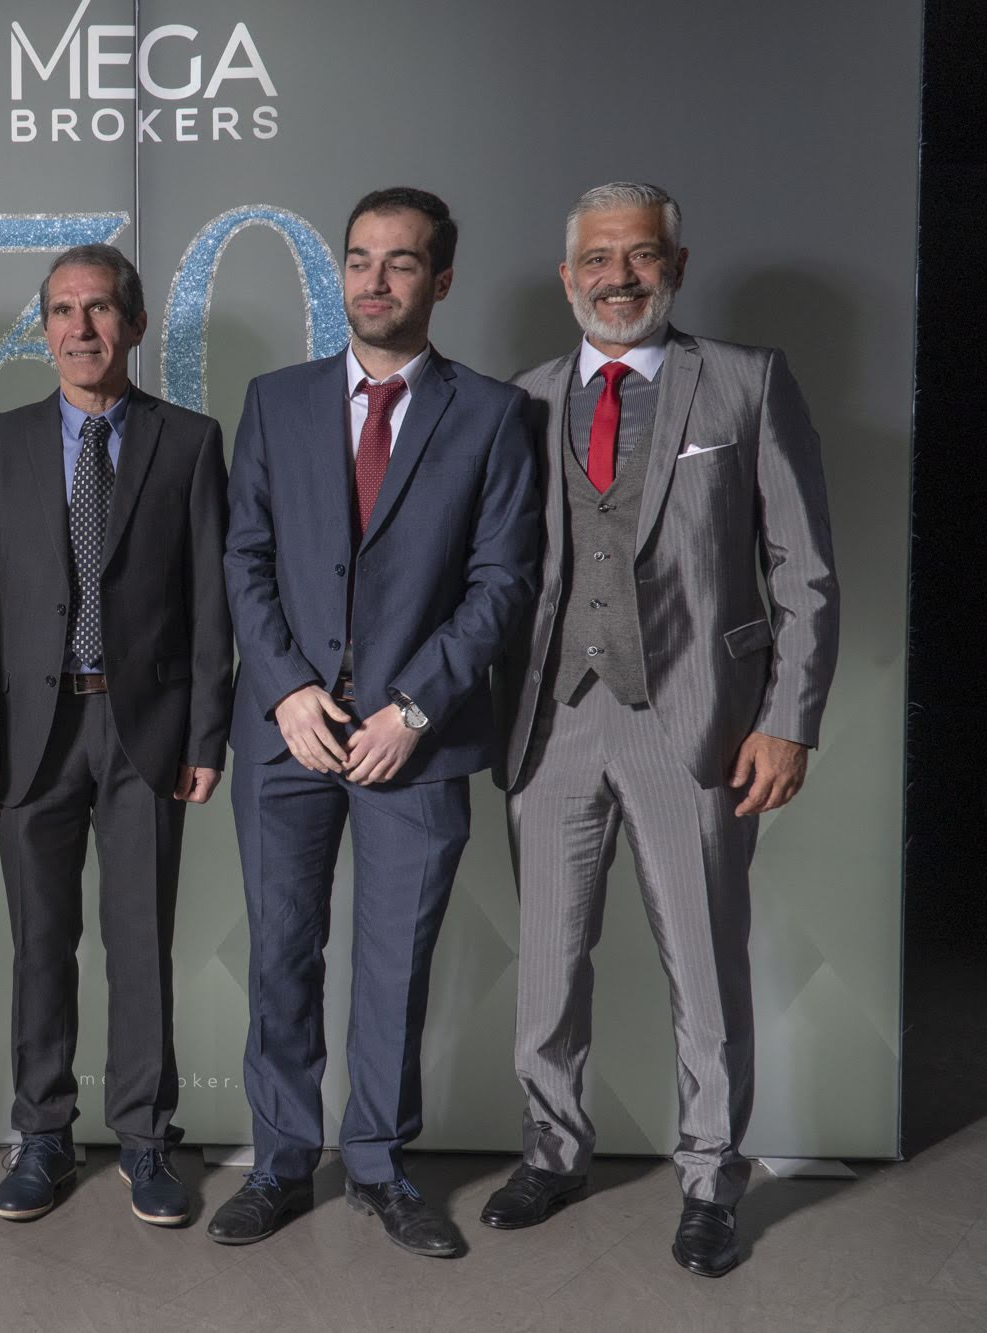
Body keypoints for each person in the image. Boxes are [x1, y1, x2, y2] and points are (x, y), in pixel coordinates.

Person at [483, 182, 838, 1279]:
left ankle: (709, 1178)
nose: (618, 277)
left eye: (640, 256)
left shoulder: (744, 381)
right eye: (597, 258)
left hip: (695, 722)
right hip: (548, 721)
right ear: (567, 276)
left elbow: (804, 570)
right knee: (546, 966)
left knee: (703, 964)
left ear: (675, 267)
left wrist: (787, 721)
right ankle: (551, 1149)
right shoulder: (522, 399)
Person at [211, 188, 539, 1254]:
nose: (374, 279)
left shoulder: (492, 414)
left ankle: (380, 1166)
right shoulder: (276, 401)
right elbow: (244, 555)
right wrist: (282, 687)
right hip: (288, 733)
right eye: (359, 258)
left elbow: (501, 580)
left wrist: (414, 705)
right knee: (280, 954)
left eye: (400, 262)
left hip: (418, 737)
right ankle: (277, 1163)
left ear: (440, 280)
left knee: (395, 963)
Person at [0, 244, 231, 1227]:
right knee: (40, 942)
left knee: (139, 941)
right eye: (63, 312)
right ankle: (41, 1133)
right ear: (43, 331)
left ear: (136, 323)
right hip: (30, 731)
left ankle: (145, 1138)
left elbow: (210, 601)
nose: (81, 328)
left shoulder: (188, 441)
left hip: (143, 728)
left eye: (101, 308)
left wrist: (206, 735)